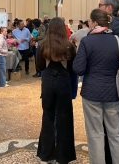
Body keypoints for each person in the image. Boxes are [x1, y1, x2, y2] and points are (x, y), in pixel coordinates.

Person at [73, 9, 119, 164]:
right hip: (114, 93)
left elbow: (78, 69)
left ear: (94, 23)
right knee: (115, 134)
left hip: (91, 92)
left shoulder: (87, 41)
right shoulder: (118, 41)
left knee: (95, 134)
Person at [36, 17, 77, 164]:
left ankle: (45, 154)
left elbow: (40, 66)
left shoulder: (43, 45)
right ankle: (63, 156)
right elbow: (73, 68)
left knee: (47, 116)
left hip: (48, 81)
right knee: (64, 117)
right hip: (63, 81)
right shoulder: (69, 46)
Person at [99, 0, 119, 161]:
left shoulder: (113, 26)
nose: (98, 8)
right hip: (114, 78)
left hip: (113, 79)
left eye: (100, 5)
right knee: (116, 123)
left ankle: (118, 158)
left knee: (116, 123)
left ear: (109, 8)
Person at [70, 19, 90, 88]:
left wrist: (74, 40)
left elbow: (71, 36)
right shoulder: (92, 31)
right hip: (91, 51)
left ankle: (81, 81)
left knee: (82, 65)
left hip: (80, 50)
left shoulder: (82, 31)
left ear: (84, 25)